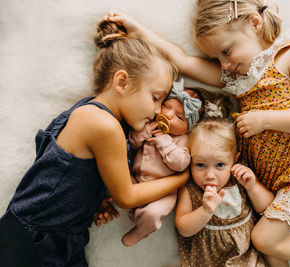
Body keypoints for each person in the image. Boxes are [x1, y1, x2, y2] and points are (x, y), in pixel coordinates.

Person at [105, 0, 290, 265]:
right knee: (270, 253)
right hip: (264, 181)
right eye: (218, 58)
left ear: (254, 23)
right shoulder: (239, 78)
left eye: (226, 51)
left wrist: (265, 120)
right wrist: (138, 31)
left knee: (263, 239)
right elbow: (183, 61)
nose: (225, 64)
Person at [0, 20, 189, 267]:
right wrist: (183, 179)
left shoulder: (98, 118)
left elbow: (60, 171)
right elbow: (127, 197)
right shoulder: (102, 124)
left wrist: (90, 200)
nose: (156, 111)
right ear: (121, 82)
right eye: (155, 98)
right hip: (30, 239)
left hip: (66, 239)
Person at [175, 119, 274, 266]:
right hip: (207, 261)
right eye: (200, 165)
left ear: (234, 160)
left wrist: (252, 187)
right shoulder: (190, 189)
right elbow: (183, 228)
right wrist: (205, 210)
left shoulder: (239, 179)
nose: (209, 175)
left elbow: (267, 207)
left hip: (247, 259)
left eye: (220, 165)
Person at [121, 78, 204, 247]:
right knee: (116, 181)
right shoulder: (149, 124)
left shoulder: (184, 139)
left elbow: (180, 164)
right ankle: (131, 210)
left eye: (179, 117)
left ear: (188, 128)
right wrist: (143, 133)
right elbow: (132, 145)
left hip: (163, 194)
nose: (168, 115)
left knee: (153, 215)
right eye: (167, 107)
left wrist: (164, 140)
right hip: (136, 181)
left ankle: (140, 231)